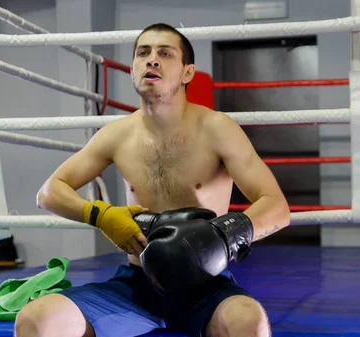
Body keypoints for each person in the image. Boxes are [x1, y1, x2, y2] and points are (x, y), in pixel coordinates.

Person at [15, 23, 291, 337]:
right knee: (37, 318)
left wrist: (222, 235)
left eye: (165, 53)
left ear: (188, 73)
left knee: (248, 320)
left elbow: (277, 207)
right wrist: (101, 216)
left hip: (206, 285)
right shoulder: (117, 135)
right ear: (133, 70)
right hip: (135, 285)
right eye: (143, 53)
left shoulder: (217, 129)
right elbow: (50, 191)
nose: (152, 60)